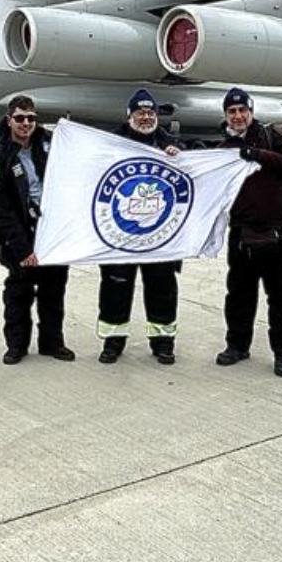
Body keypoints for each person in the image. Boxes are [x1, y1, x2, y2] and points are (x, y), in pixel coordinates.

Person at [0, 95, 75, 365]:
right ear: (9, 120)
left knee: (53, 292)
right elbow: (1, 210)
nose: (26, 123)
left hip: (51, 232)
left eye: (31, 118)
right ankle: (16, 345)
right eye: (20, 118)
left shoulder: (50, 147)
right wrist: (23, 250)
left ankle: (52, 343)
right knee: (18, 295)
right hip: (19, 235)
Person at [214, 87, 282, 377]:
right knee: (239, 294)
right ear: (226, 115)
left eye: (243, 110)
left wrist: (258, 154)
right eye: (232, 111)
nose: (238, 116)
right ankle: (237, 346)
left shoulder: (271, 135)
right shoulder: (224, 147)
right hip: (241, 232)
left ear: (251, 112)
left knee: (281, 295)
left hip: (277, 230)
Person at [97, 88, 188, 365]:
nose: (146, 117)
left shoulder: (170, 143)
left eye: (150, 113)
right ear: (130, 115)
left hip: (159, 236)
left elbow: (191, 170)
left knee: (162, 289)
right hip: (120, 234)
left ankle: (163, 343)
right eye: (140, 112)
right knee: (115, 289)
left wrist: (179, 156)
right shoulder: (112, 143)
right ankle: (113, 342)